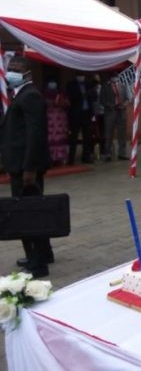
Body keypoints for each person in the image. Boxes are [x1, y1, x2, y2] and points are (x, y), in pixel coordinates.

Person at [0, 56, 53, 278]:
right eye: (10, 68)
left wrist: (29, 169)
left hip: (25, 168)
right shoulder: (22, 94)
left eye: (16, 68)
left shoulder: (30, 96)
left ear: (27, 72)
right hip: (21, 165)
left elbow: (35, 135)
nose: (11, 72)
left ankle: (37, 262)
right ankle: (43, 253)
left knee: (27, 215)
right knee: (33, 211)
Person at [66, 72, 96, 164]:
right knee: (73, 136)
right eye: (79, 75)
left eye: (82, 75)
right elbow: (71, 96)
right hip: (75, 114)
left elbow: (95, 97)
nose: (81, 77)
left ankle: (86, 157)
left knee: (87, 137)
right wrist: (82, 95)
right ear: (76, 77)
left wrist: (89, 94)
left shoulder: (88, 84)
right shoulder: (71, 85)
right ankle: (71, 159)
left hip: (86, 113)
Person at [101, 72, 130, 161]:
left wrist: (124, 105)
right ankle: (108, 154)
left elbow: (127, 99)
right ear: (110, 78)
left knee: (122, 134)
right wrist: (111, 105)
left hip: (121, 112)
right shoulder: (105, 87)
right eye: (113, 77)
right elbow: (102, 100)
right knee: (108, 134)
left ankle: (122, 153)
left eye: (116, 77)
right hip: (110, 113)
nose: (115, 79)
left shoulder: (123, 86)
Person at [43, 78, 70, 165]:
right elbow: (44, 103)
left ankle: (60, 157)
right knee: (50, 138)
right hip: (50, 120)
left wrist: (61, 102)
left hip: (60, 120)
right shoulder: (44, 93)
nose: (53, 84)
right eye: (51, 82)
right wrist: (53, 102)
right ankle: (50, 158)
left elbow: (68, 103)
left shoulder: (60, 93)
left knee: (60, 138)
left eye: (54, 82)